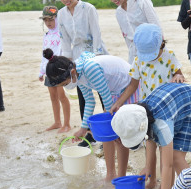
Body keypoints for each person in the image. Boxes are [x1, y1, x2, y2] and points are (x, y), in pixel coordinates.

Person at [111, 83, 191, 189]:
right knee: (171, 154)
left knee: (175, 157)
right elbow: (150, 137)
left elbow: (168, 165)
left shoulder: (161, 124)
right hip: (177, 104)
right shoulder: (139, 112)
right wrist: (148, 167)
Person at [43, 49, 139, 182]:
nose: (66, 86)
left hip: (127, 85)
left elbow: (106, 100)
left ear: (71, 73)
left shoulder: (90, 69)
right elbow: (89, 101)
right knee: (107, 136)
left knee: (118, 136)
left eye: (65, 84)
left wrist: (110, 124)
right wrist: (83, 128)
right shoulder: (78, 75)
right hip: (113, 91)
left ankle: (121, 177)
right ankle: (110, 175)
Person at [110, 23, 186, 189]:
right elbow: (132, 85)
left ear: (161, 43)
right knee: (149, 144)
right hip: (146, 110)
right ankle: (151, 180)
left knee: (164, 148)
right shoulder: (138, 60)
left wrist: (179, 77)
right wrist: (118, 103)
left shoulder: (169, 56)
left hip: (167, 109)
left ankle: (164, 187)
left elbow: (179, 75)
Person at [56, 0, 108, 147]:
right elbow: (64, 39)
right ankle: (88, 133)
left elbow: (96, 33)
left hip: (94, 51)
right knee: (83, 94)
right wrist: (68, 61)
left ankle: (109, 129)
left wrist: (97, 56)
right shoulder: (61, 14)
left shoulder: (88, 8)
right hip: (76, 53)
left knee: (103, 92)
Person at [38, 6, 71, 133]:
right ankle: (57, 122)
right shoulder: (46, 35)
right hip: (49, 70)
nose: (48, 23)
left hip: (59, 70)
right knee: (53, 97)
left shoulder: (61, 33)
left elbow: (64, 52)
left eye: (51, 20)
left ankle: (67, 124)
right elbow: (44, 55)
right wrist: (41, 71)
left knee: (62, 96)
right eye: (45, 20)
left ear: (57, 18)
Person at [105, 0, 161, 64]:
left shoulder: (142, 2)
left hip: (151, 49)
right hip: (134, 53)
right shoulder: (118, 12)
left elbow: (156, 27)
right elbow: (126, 37)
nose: (112, 0)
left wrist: (160, 50)